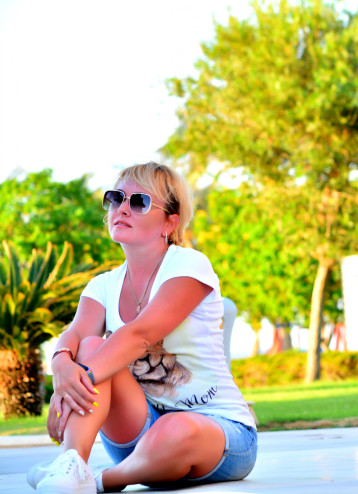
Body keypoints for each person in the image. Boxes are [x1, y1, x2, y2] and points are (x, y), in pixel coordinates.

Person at [28, 162, 257, 493]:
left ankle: (99, 480)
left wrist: (79, 380)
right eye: (116, 198)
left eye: (139, 202)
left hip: (218, 431)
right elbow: (76, 335)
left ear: (169, 222)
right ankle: (72, 463)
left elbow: (141, 335)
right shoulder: (102, 285)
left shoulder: (189, 265)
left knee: (174, 428)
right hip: (136, 431)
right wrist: (62, 365)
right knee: (90, 347)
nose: (122, 208)